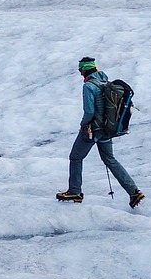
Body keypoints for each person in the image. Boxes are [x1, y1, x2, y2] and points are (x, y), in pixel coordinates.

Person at [58, 57, 143, 208]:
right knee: (110, 160)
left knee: (75, 157)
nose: (80, 73)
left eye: (80, 70)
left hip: (93, 129)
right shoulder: (105, 82)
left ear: (84, 70)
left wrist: (83, 124)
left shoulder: (89, 86)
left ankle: (75, 191)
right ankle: (134, 192)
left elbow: (89, 111)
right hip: (107, 129)